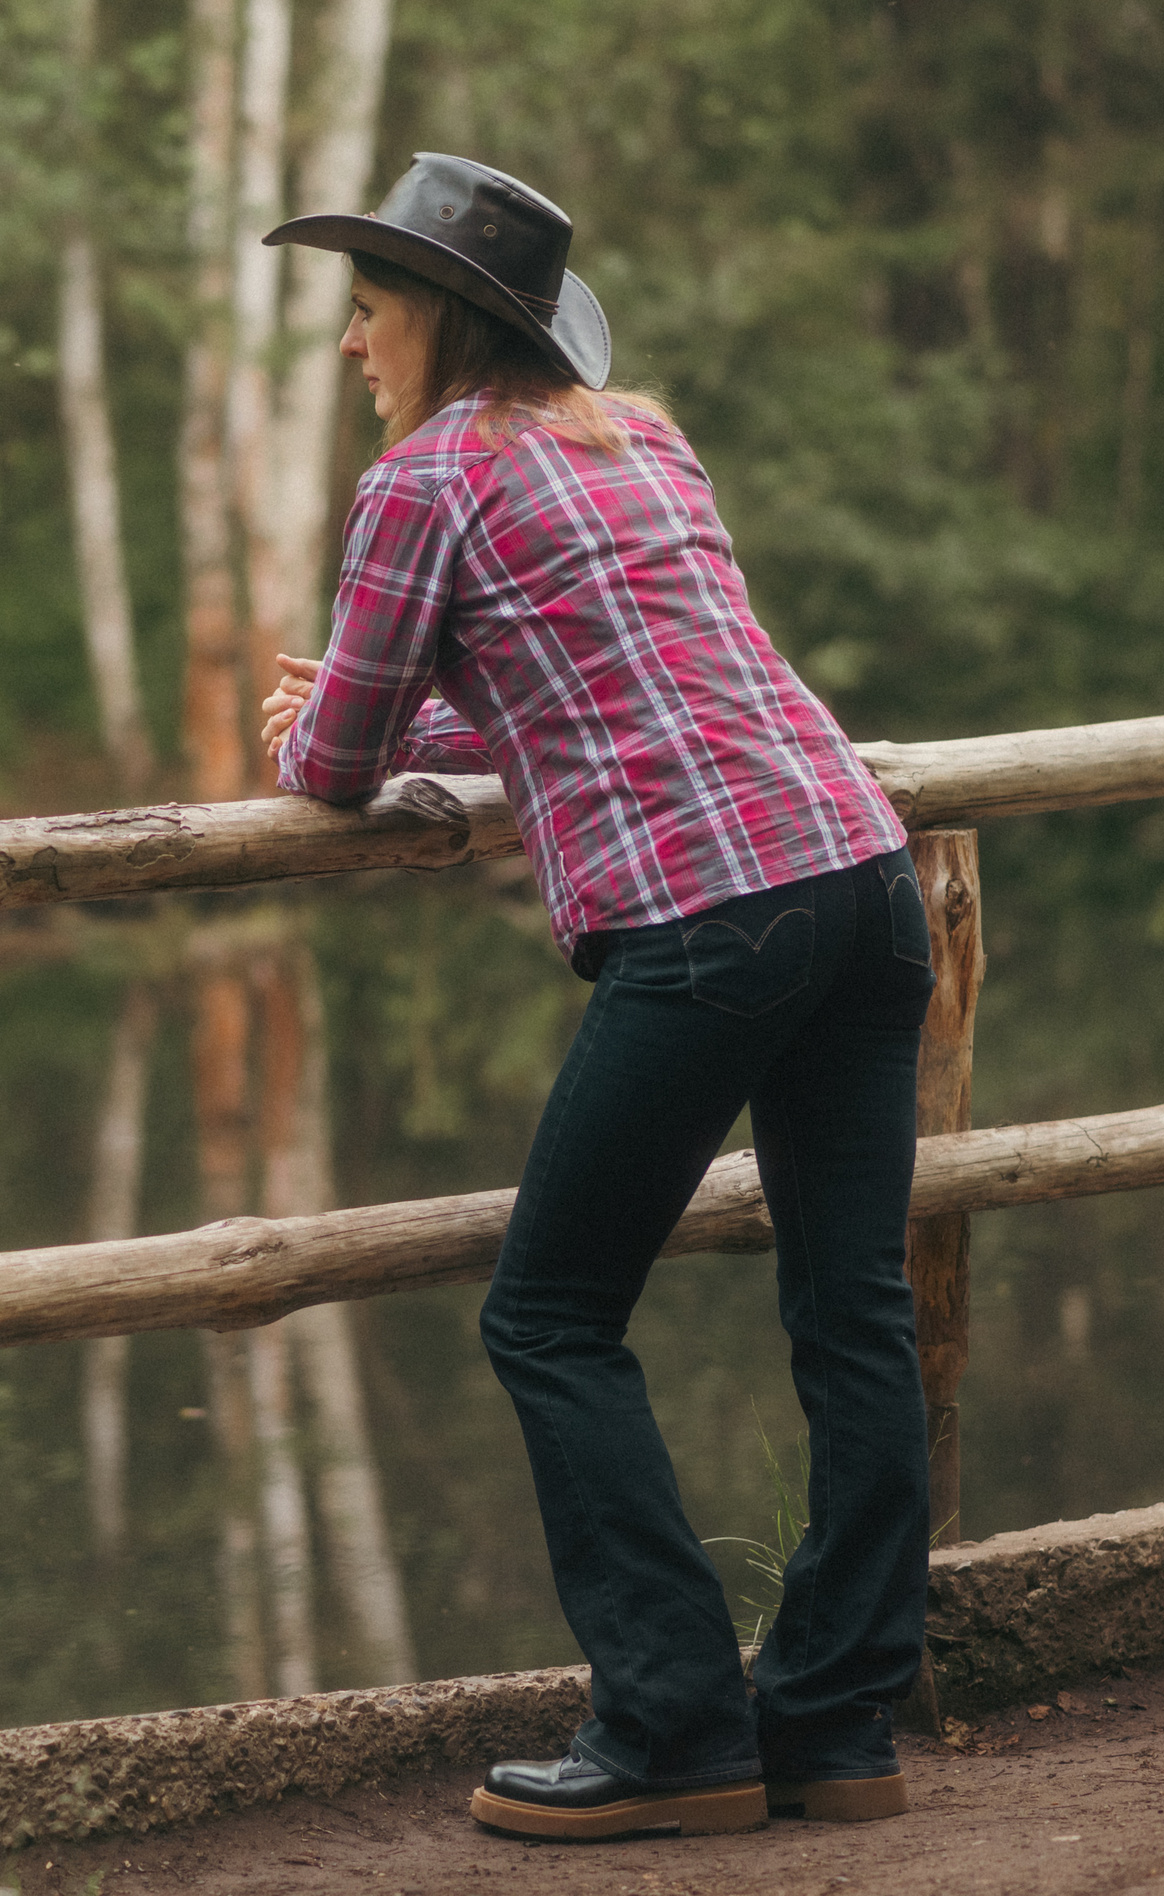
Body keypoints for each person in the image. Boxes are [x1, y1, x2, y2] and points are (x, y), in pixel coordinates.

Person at [258, 153, 934, 1844]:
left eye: (366, 311)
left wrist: (309, 726)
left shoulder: (422, 484)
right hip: (861, 879)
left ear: (440, 324)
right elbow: (594, 696)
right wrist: (408, 717)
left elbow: (338, 764)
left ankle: (676, 1727)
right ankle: (836, 1728)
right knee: (853, 1313)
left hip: (714, 922)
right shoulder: (643, 439)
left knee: (546, 1316)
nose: (350, 345)